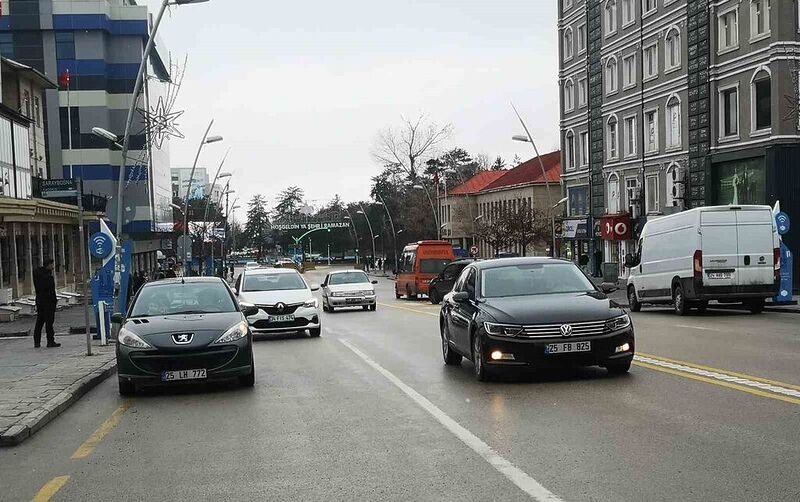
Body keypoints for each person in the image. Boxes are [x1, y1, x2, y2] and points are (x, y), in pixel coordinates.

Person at [33, 259, 60, 348]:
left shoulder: (38, 275)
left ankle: (37, 342)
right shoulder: (47, 277)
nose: (53, 266)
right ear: (48, 265)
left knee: (39, 322)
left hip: (40, 301)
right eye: (52, 264)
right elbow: (50, 291)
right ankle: (50, 341)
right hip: (48, 302)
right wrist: (54, 301)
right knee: (49, 322)